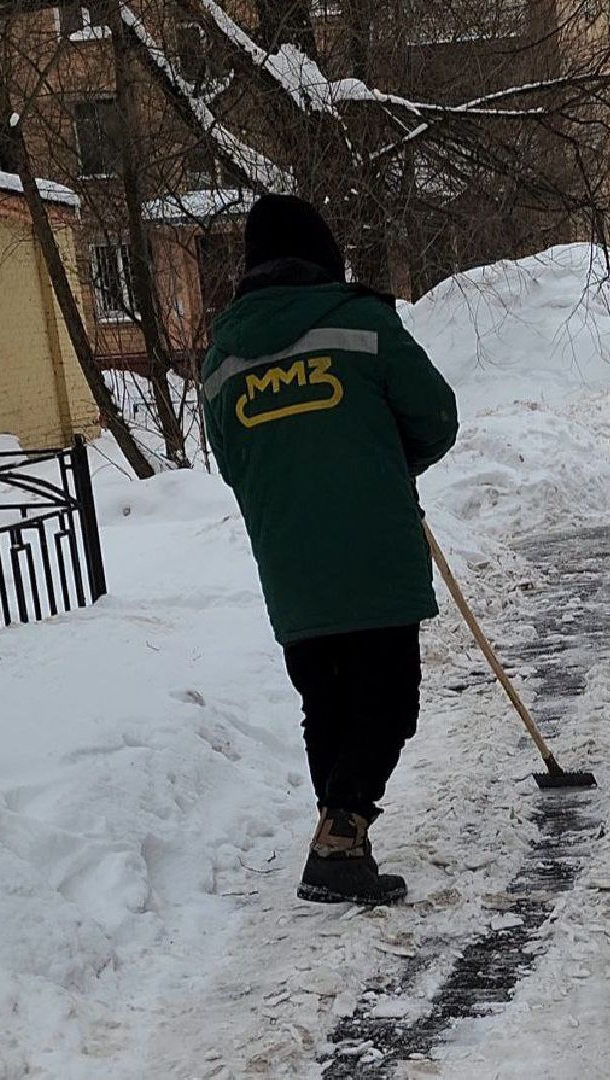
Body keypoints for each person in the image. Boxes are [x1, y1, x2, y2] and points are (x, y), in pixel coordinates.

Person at [202, 195, 459, 906]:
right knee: (388, 699)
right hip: (372, 550)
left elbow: (231, 461)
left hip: (290, 564)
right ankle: (339, 839)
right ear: (323, 254)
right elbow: (435, 414)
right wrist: (387, 457)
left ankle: (339, 836)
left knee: (328, 700)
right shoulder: (362, 323)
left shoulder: (221, 357)